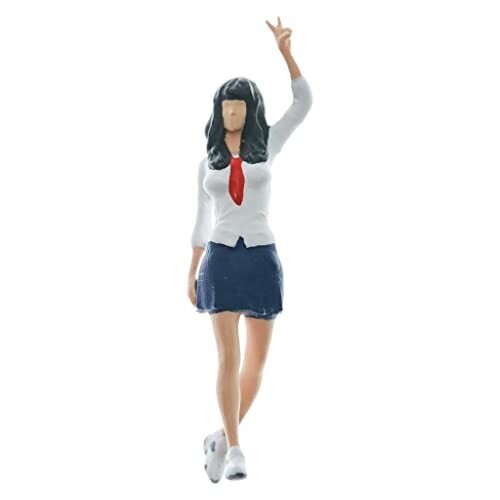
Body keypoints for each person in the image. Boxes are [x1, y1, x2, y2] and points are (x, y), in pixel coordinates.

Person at [187, 16, 313, 482]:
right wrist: (191, 268)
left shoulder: (268, 146)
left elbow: (303, 103)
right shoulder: (207, 162)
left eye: (240, 107)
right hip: (220, 257)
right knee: (229, 356)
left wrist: (286, 54)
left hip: (261, 257)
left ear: (251, 111)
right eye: (227, 107)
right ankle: (237, 449)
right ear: (218, 112)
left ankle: (220, 438)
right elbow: (201, 218)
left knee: (256, 363)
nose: (233, 114)